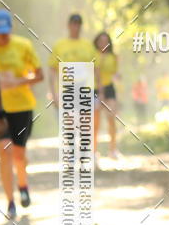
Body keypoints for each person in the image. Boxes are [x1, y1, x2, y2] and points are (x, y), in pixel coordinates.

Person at [0, 9, 44, 219]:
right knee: (5, 150)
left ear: (11, 28)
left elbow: (39, 75)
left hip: (22, 106)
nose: (3, 36)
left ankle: (23, 185)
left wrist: (17, 81)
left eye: (6, 31)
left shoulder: (23, 46)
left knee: (19, 154)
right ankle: (10, 202)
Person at [48, 13, 97, 108]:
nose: (76, 26)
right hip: (67, 90)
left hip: (85, 90)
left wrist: (99, 92)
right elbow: (52, 70)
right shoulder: (59, 45)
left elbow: (95, 70)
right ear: (68, 25)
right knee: (70, 121)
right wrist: (53, 94)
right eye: (74, 23)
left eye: (79, 24)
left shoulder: (88, 45)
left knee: (84, 122)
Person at [94, 31, 120, 159]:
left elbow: (114, 73)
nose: (103, 43)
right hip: (96, 89)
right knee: (96, 123)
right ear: (97, 42)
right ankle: (94, 152)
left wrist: (118, 77)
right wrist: (100, 92)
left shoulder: (113, 57)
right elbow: (96, 74)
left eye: (105, 40)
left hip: (110, 89)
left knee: (111, 119)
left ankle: (113, 150)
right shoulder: (95, 56)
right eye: (101, 41)